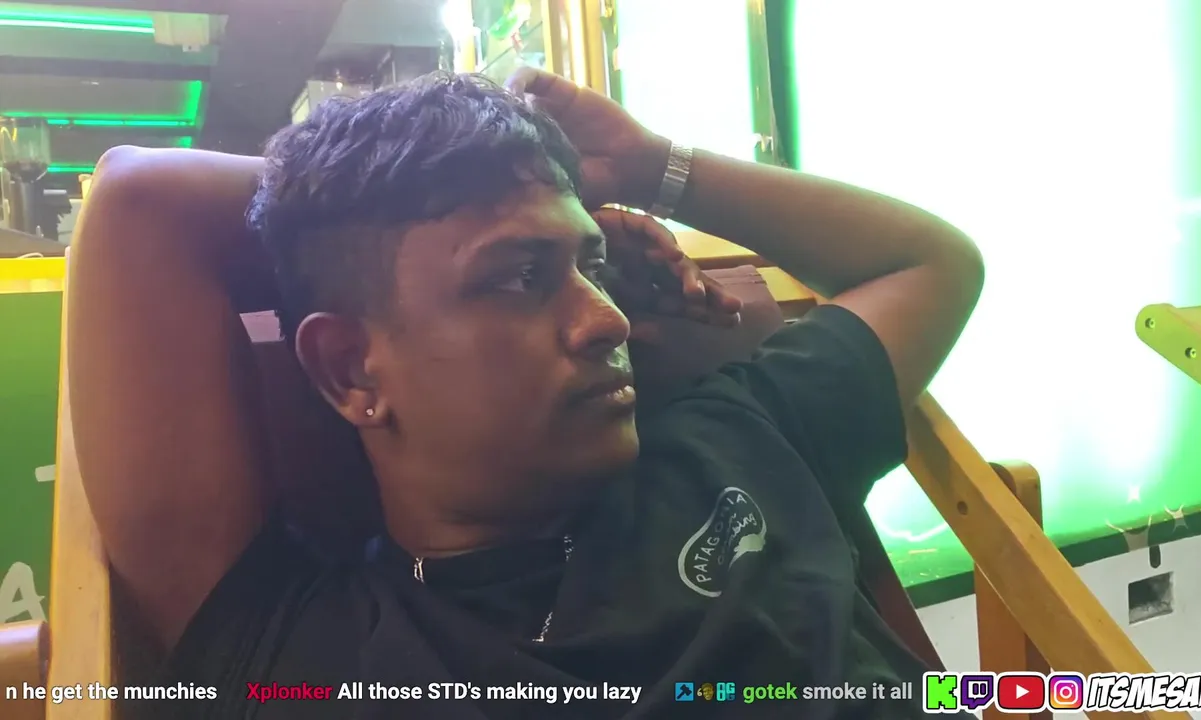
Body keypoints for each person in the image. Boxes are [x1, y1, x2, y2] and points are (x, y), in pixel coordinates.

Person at [69, 69, 984, 719]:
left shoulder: (740, 437)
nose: (606, 320)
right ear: (351, 370)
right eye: (518, 277)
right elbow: (142, 199)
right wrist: (368, 202)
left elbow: (933, 262)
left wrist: (650, 167)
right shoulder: (303, 650)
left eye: (593, 263)